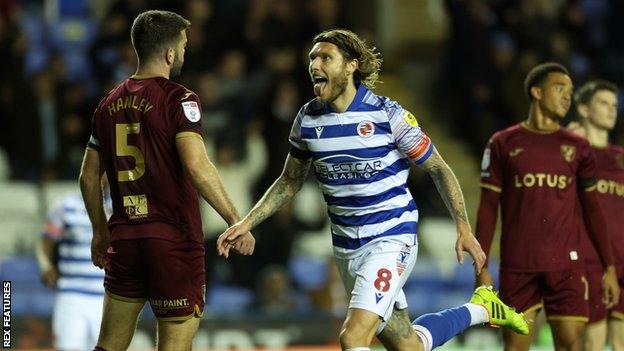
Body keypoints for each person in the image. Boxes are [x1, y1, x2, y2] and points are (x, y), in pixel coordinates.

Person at [217, 28, 528, 351]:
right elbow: (290, 181)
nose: (314, 65)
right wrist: (246, 222)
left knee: (353, 337)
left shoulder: (386, 114)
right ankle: (481, 309)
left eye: (325, 57)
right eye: (312, 58)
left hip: (391, 238)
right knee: (408, 345)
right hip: (346, 247)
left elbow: (437, 167)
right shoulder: (308, 119)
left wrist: (463, 225)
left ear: (351, 65)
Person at [78, 10, 254, 351]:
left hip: (125, 238)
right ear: (170, 53)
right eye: (184, 45)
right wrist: (237, 220)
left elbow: (88, 177)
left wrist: (100, 231)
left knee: (109, 345)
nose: (186, 52)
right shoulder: (179, 98)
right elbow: (197, 165)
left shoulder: (108, 103)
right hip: (172, 240)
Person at [475, 63, 621, 351]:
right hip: (519, 267)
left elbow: (593, 211)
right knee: (515, 348)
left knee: (572, 346)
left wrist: (609, 267)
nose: (567, 96)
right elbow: (488, 207)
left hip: (566, 267)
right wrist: (481, 267)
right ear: (537, 92)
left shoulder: (578, 146)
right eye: (559, 89)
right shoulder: (503, 143)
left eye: (570, 91)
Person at [568, 80, 624, 351]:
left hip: (622, 260)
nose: (612, 110)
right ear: (583, 108)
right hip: (591, 262)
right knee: (592, 344)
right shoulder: (572, 154)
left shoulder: (621, 158)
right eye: (603, 103)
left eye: (614, 105)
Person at [36, 184, 111, 350]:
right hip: (72, 297)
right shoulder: (64, 205)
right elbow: (44, 245)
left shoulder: (121, 207)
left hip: (109, 297)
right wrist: (46, 266)